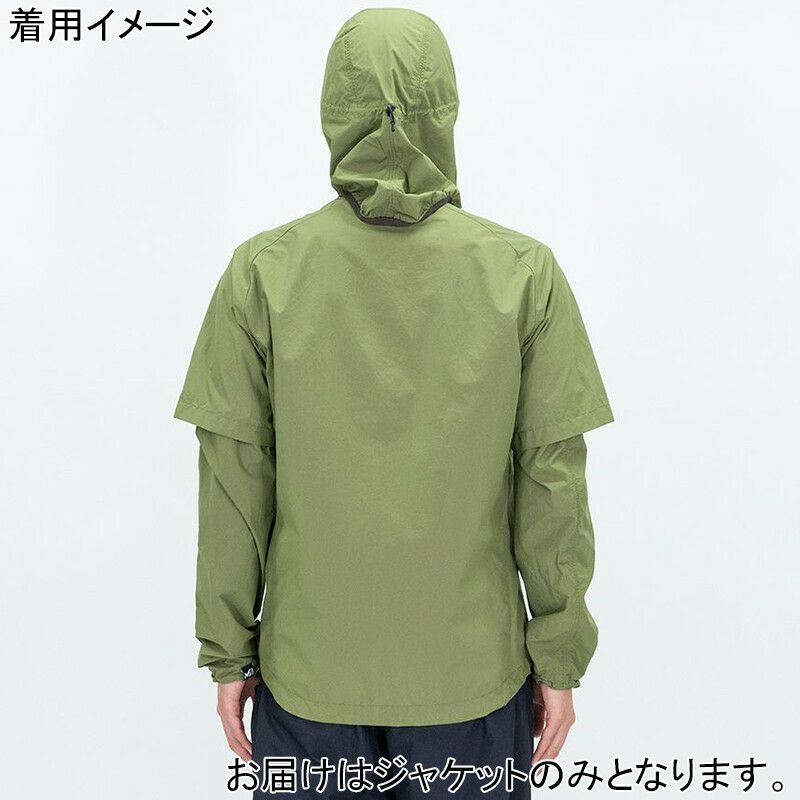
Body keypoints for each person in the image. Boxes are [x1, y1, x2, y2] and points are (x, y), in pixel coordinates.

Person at [174, 8, 614, 799]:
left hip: (309, 675)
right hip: (471, 678)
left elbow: (233, 479)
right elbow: (553, 484)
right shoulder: (523, 273)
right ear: (446, 107)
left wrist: (228, 654)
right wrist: (558, 659)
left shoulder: (262, 273)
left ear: (332, 111)